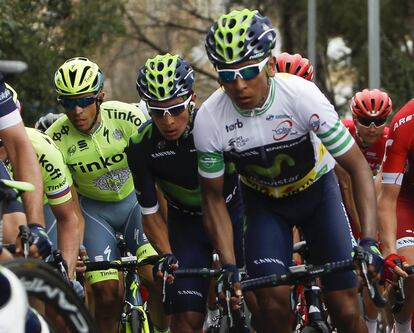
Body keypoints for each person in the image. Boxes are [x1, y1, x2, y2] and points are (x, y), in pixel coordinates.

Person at [194, 8, 379, 333]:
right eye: (226, 76)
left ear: (269, 65)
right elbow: (212, 198)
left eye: (248, 71)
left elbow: (358, 168)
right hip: (265, 207)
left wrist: (369, 240)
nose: (238, 85)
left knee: (345, 307)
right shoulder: (210, 118)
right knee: (272, 303)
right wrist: (229, 264)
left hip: (317, 197)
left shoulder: (301, 96)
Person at [46, 57, 168, 333]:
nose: (77, 110)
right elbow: (68, 201)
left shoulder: (128, 117)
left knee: (156, 276)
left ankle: (164, 329)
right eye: (67, 103)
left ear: (101, 96)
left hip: (136, 205)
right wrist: (74, 245)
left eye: (85, 100)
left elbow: (159, 173)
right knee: (106, 293)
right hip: (93, 213)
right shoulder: (56, 138)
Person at [126, 53, 244, 333]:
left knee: (260, 302)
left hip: (235, 212)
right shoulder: (141, 146)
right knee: (186, 319)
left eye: (176, 109)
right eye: (157, 112)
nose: (168, 121)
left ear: (191, 98)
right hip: (187, 224)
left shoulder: (215, 124)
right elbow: (150, 213)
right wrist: (167, 254)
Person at [335, 89, 392, 333]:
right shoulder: (342, 132)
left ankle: (370, 325)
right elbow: (346, 188)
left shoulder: (389, 140)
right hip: (341, 204)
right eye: (365, 121)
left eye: (379, 121)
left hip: (373, 208)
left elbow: (387, 194)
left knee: (377, 271)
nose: (372, 127)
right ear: (354, 119)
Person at [377, 98, 414, 333]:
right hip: (405, 200)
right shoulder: (406, 121)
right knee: (410, 272)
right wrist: (389, 250)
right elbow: (387, 197)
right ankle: (400, 328)